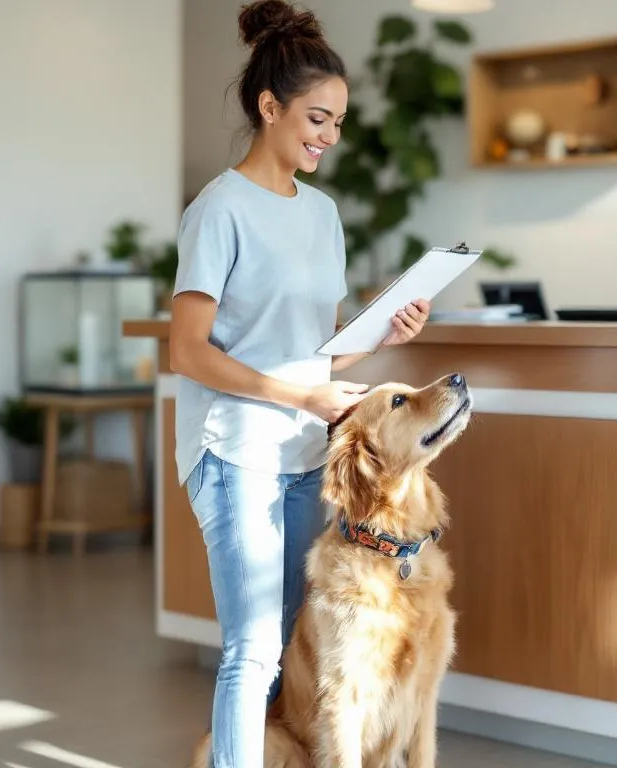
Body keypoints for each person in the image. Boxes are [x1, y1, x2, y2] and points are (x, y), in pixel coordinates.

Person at [168, 1, 431, 765]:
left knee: (287, 640)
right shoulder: (218, 210)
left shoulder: (323, 215)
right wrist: (302, 397)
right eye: (317, 117)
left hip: (302, 454)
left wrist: (381, 332)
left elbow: (314, 352)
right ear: (269, 105)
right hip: (235, 452)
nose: (328, 136)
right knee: (252, 648)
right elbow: (188, 352)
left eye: (339, 123)